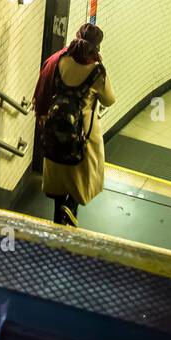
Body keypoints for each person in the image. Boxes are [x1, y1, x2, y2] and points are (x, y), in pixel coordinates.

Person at [34, 23, 116, 227]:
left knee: (59, 178)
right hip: (83, 134)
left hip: (56, 130)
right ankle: (71, 207)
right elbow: (109, 100)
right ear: (97, 46)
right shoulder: (97, 70)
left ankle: (59, 217)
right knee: (81, 175)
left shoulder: (60, 60)